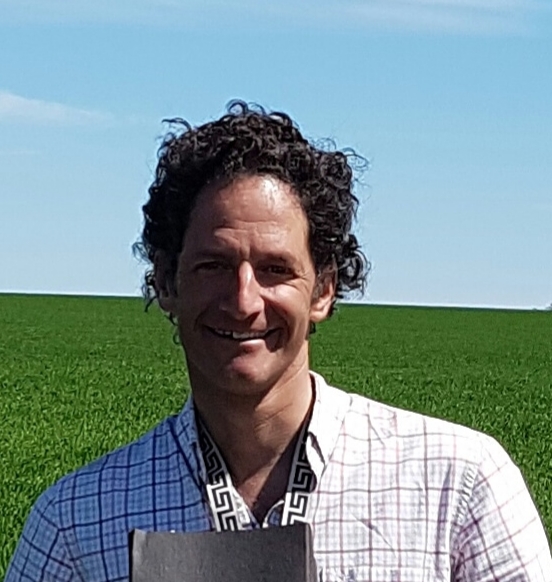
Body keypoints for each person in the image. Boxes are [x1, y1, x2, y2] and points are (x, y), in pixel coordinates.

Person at [6, 102, 551, 582]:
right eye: (214, 265)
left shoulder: (456, 486)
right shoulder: (76, 522)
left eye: (275, 269)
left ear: (324, 290)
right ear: (167, 283)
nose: (243, 300)